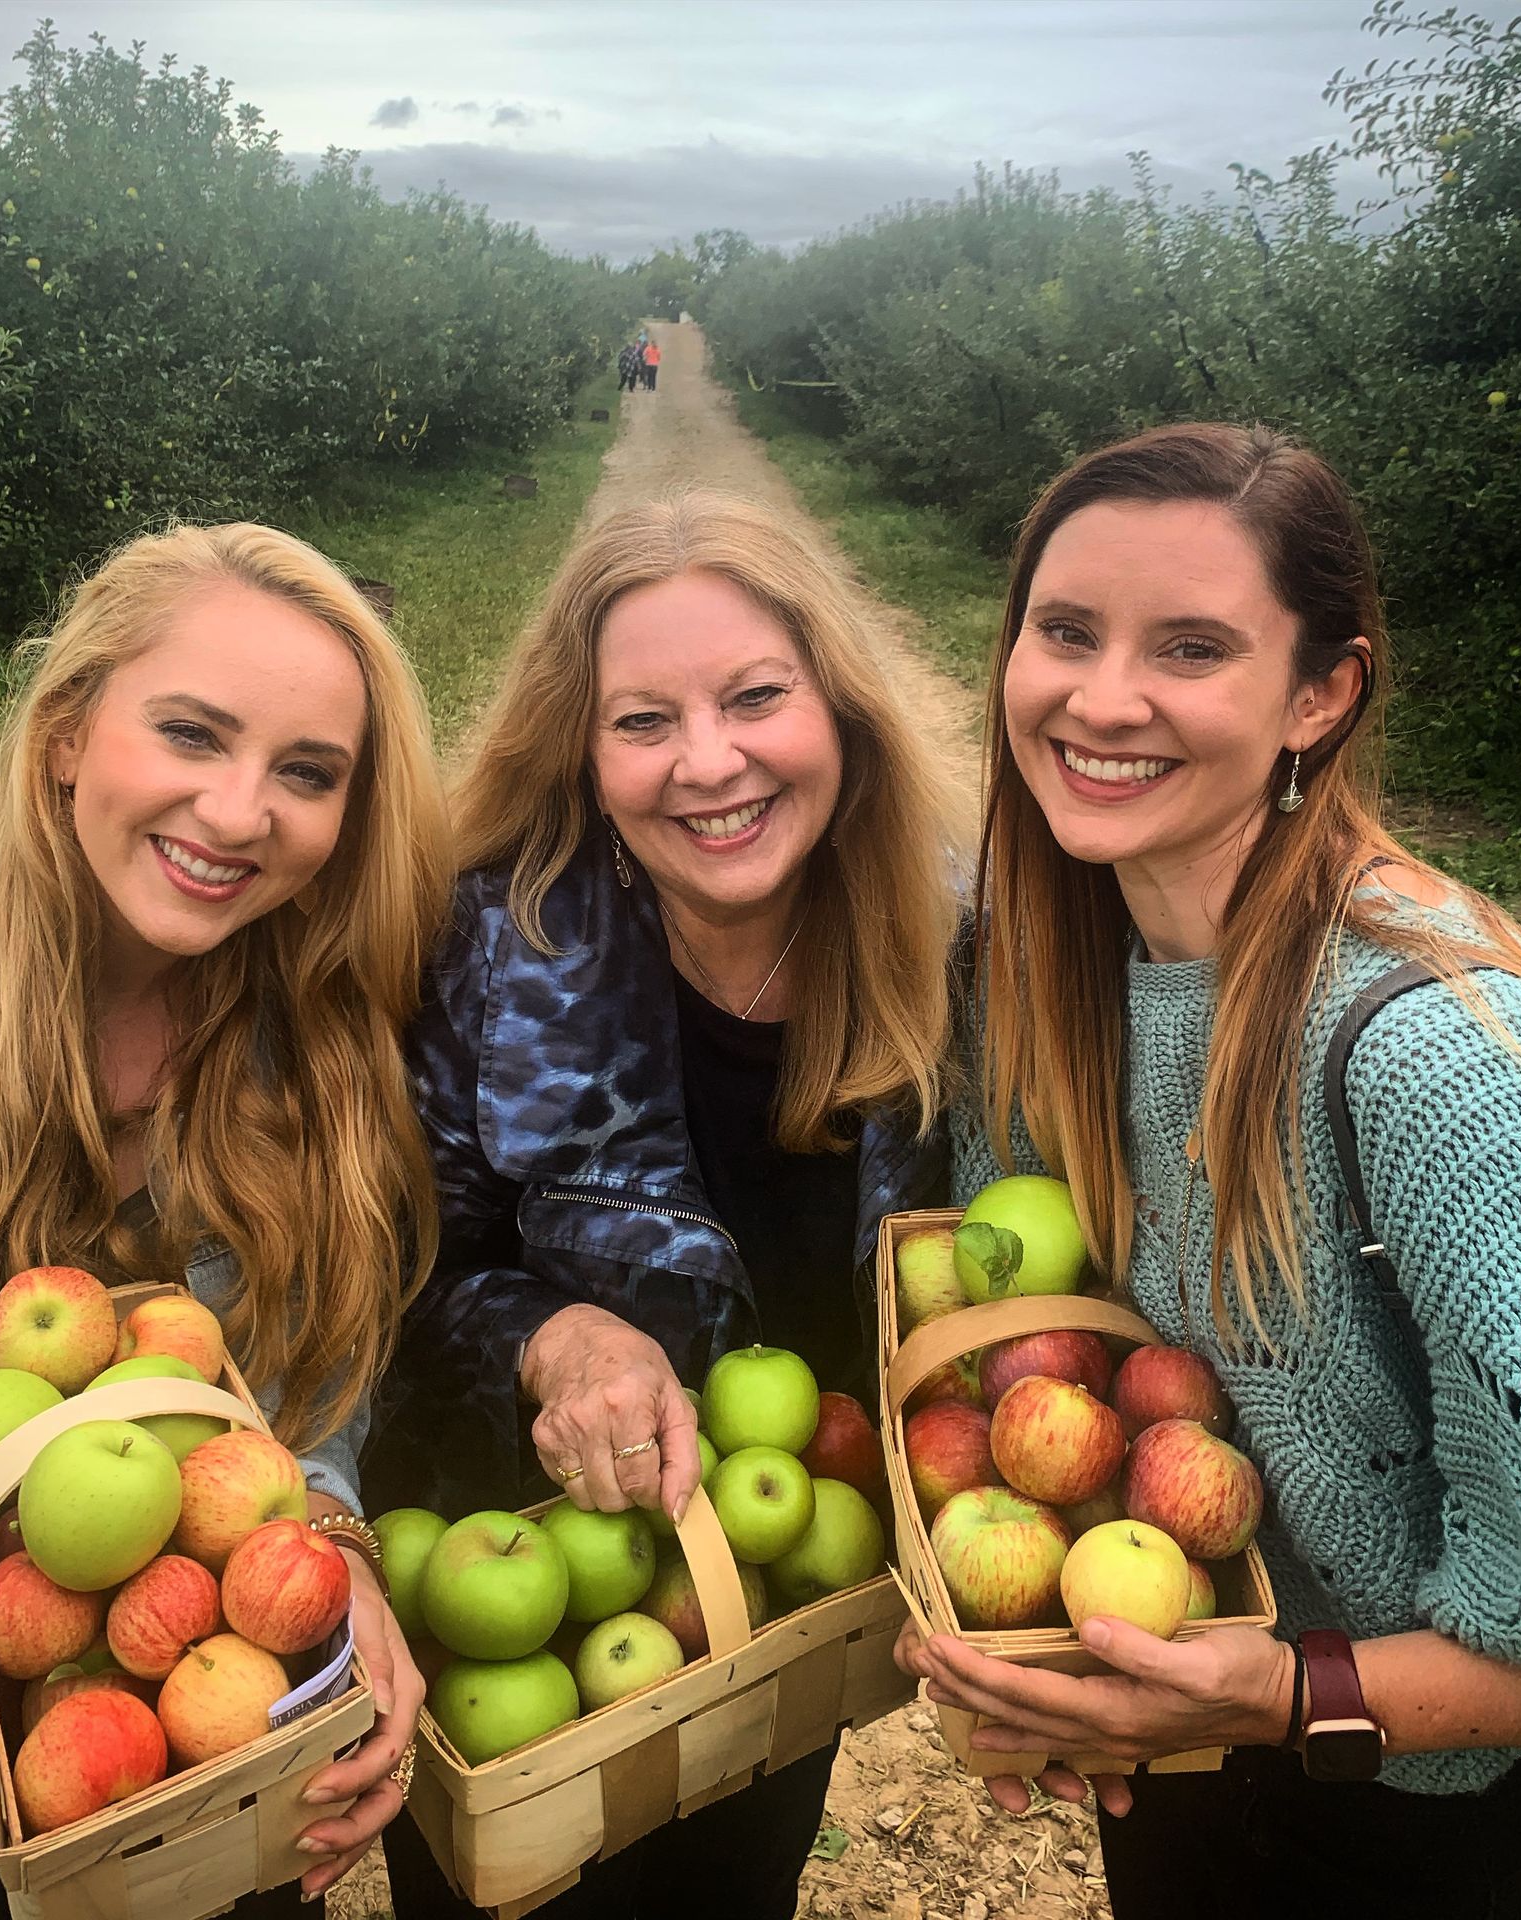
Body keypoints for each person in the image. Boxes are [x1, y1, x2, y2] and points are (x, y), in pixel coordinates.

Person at [898, 422, 1521, 1920]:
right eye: (1065, 631)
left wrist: (1289, 1697)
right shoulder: (1051, 969)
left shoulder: (1450, 1077)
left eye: (1189, 648)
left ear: (1320, 693)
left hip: (1410, 1828)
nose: (1102, 700)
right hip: (1188, 1757)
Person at [0, 522, 453, 1916]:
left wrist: (335, 1553)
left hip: (172, 1793)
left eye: (307, 774)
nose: (242, 813)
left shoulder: (317, 1065)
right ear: (68, 733)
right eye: (192, 734)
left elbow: (310, 1411)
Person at [366, 489, 965, 1917]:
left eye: (758, 697)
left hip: (772, 1616)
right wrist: (550, 1336)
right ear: (582, 751)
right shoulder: (489, 958)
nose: (710, 763)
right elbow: (387, 1277)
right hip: (510, 1617)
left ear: (844, 711)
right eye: (643, 721)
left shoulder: (956, 958)